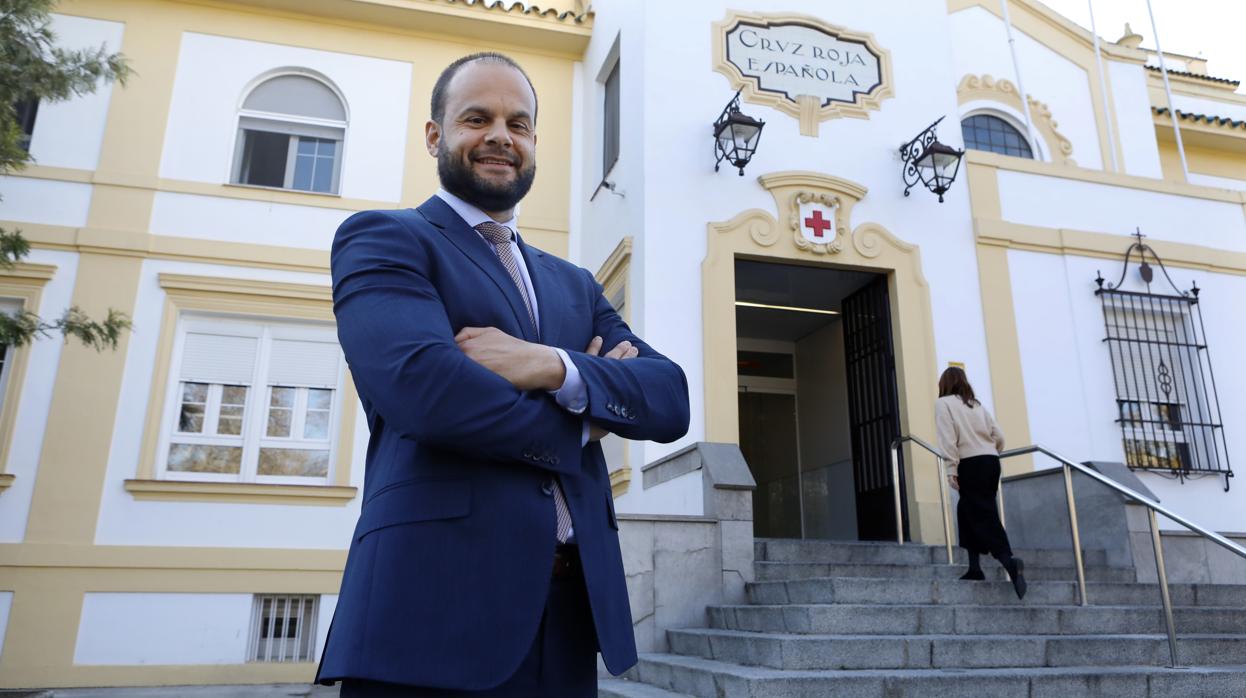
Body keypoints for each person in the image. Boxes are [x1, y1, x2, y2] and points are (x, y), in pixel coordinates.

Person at [314, 52, 690, 696]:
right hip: (431, 613)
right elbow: (429, 393)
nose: (500, 136)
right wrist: (585, 418)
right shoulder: (386, 240)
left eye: (519, 124)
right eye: (477, 118)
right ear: (435, 135)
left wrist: (549, 365)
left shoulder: (573, 284)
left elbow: (668, 396)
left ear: (534, 143)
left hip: (570, 617)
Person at [935, 366, 1026, 600]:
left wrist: (951, 468)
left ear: (944, 384)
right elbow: (1000, 437)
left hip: (969, 463)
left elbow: (948, 439)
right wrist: (989, 450)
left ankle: (1008, 560)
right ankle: (974, 568)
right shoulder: (976, 405)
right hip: (990, 461)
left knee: (982, 512)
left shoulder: (943, 404)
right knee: (967, 509)